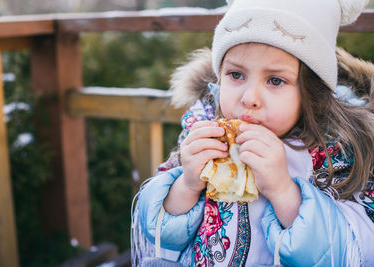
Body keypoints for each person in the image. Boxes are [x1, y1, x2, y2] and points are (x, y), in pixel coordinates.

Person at [131, 0, 374, 266]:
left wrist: (283, 192)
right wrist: (187, 184)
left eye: (275, 80)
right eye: (236, 74)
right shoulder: (205, 129)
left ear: (310, 93)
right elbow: (158, 231)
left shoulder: (337, 153)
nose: (249, 98)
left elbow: (352, 251)